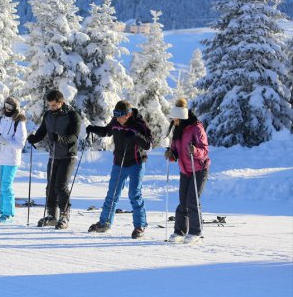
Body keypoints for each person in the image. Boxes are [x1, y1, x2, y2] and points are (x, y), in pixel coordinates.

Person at [86, 100, 153, 239]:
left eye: (120, 115)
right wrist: (93, 128)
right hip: (119, 163)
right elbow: (106, 132)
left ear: (128, 114)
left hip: (136, 163)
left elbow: (149, 145)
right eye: (115, 114)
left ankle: (140, 226)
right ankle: (104, 222)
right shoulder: (116, 122)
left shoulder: (140, 124)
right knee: (112, 194)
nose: (117, 118)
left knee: (134, 194)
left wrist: (136, 136)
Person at [26, 90, 81, 230]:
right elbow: (42, 131)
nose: (52, 108)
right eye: (50, 105)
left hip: (68, 155)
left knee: (61, 185)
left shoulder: (72, 115)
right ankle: (52, 216)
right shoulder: (48, 115)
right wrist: (34, 138)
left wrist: (61, 139)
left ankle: (64, 216)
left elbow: (75, 136)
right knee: (50, 186)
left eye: (55, 105)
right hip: (54, 154)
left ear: (61, 103)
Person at [165, 98, 211, 244]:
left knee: (193, 200)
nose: (174, 121)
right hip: (185, 170)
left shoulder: (196, 127)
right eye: (173, 118)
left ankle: (196, 232)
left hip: (199, 169)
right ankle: (179, 232)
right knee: (183, 201)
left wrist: (195, 150)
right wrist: (171, 154)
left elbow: (204, 150)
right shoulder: (177, 129)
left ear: (182, 117)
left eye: (176, 118)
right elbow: (175, 151)